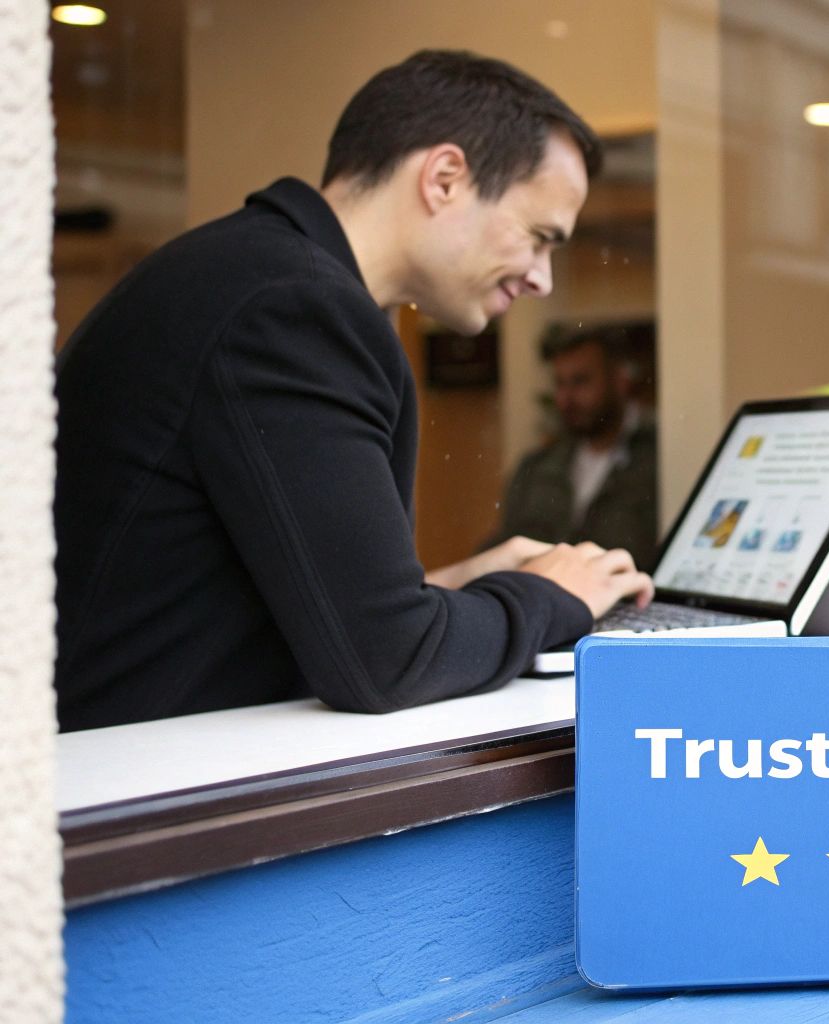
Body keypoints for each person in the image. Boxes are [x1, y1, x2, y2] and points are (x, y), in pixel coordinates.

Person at [53, 50, 653, 732]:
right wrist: (552, 597)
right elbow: (386, 660)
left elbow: (292, 613)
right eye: (540, 237)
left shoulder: (255, 275)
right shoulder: (292, 308)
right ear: (446, 178)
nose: (543, 278)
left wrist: (454, 585)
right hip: (116, 801)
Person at [484, 324, 659, 567]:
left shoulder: (657, 460)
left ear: (620, 381)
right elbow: (502, 546)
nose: (566, 398)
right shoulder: (536, 467)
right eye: (560, 383)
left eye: (581, 381)